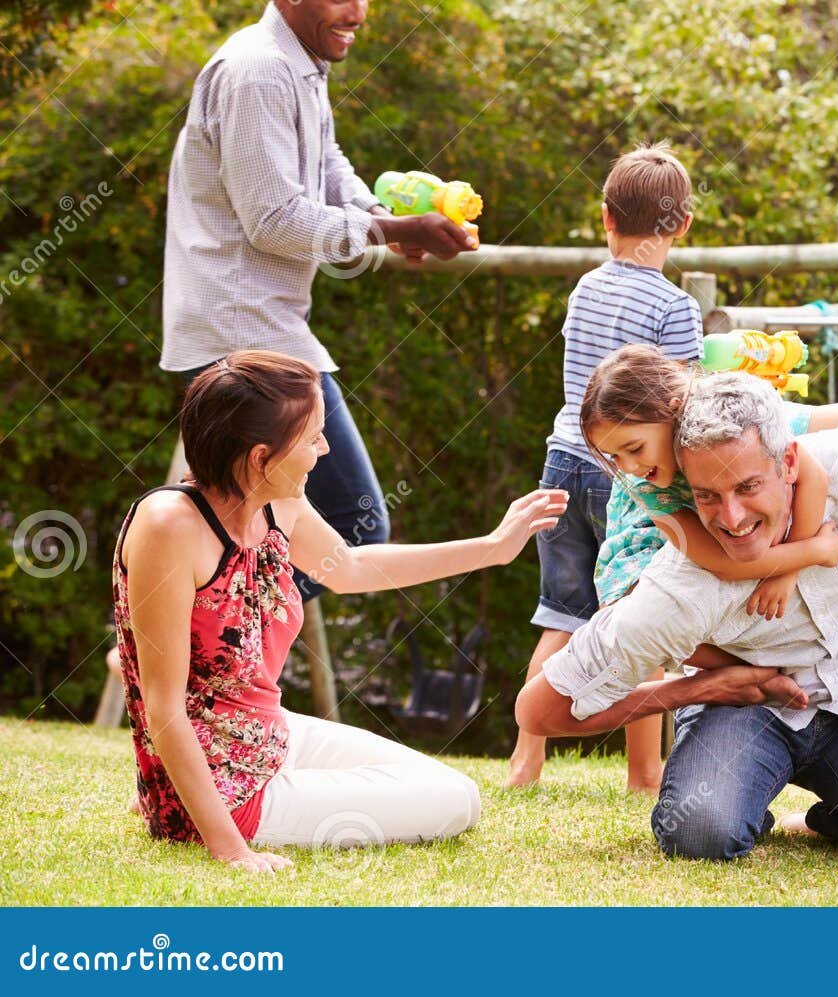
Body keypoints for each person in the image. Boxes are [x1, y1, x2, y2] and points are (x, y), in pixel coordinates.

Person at [515, 362, 838, 871]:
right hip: (742, 706)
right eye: (707, 496)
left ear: (788, 462)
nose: (732, 517)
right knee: (700, 832)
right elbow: (537, 712)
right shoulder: (681, 577)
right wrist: (704, 688)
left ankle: (831, 817)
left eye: (747, 487)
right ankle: (740, 787)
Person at [114, 352, 566, 872]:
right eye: (311, 439)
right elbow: (164, 707)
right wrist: (233, 852)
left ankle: (199, 790)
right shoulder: (169, 526)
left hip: (271, 735)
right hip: (225, 794)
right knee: (455, 802)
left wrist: (491, 547)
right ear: (261, 457)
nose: (324, 450)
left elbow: (350, 568)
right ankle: (175, 799)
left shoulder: (276, 501)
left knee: (453, 787)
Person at [161, 0, 474, 605]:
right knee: (356, 526)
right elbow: (273, 219)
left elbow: (327, 166)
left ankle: (199, 652)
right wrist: (391, 233)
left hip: (262, 333)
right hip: (241, 343)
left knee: (256, 535)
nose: (357, 12)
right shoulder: (257, 73)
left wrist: (388, 220)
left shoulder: (301, 65)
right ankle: (196, 642)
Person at [504, 143, 704, 792]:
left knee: (560, 614)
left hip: (564, 458)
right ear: (682, 225)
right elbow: (681, 405)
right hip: (630, 477)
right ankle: (644, 773)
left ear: (605, 218)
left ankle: (525, 758)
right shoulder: (677, 308)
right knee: (639, 616)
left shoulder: (585, 287)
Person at [584, 344, 838, 620]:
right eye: (614, 457)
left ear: (673, 413)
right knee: (634, 614)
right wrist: (811, 551)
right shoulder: (643, 486)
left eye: (634, 449)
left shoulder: (734, 429)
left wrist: (786, 571)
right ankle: (735, 675)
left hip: (744, 432)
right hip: (650, 533)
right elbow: (719, 563)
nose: (628, 467)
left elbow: (817, 469)